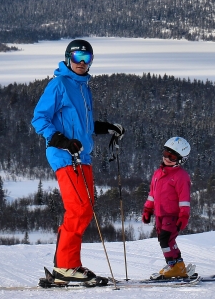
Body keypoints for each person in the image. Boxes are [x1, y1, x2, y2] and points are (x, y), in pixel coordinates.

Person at [32, 39, 125, 285]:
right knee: (79, 208)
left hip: (82, 155)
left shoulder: (84, 88)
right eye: (77, 58)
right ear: (67, 58)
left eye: (87, 59)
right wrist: (60, 140)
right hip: (65, 155)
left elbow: (83, 125)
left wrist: (106, 127)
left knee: (87, 206)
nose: (82, 63)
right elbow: (39, 119)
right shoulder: (59, 84)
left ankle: (65, 263)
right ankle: (65, 266)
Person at [142, 137, 192, 279]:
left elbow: (184, 199)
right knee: (166, 240)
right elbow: (152, 194)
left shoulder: (181, 176)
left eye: (172, 156)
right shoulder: (158, 173)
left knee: (165, 239)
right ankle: (177, 265)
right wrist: (147, 210)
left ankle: (173, 266)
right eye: (165, 154)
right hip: (159, 214)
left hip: (172, 214)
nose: (167, 158)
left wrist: (183, 216)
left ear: (181, 159)